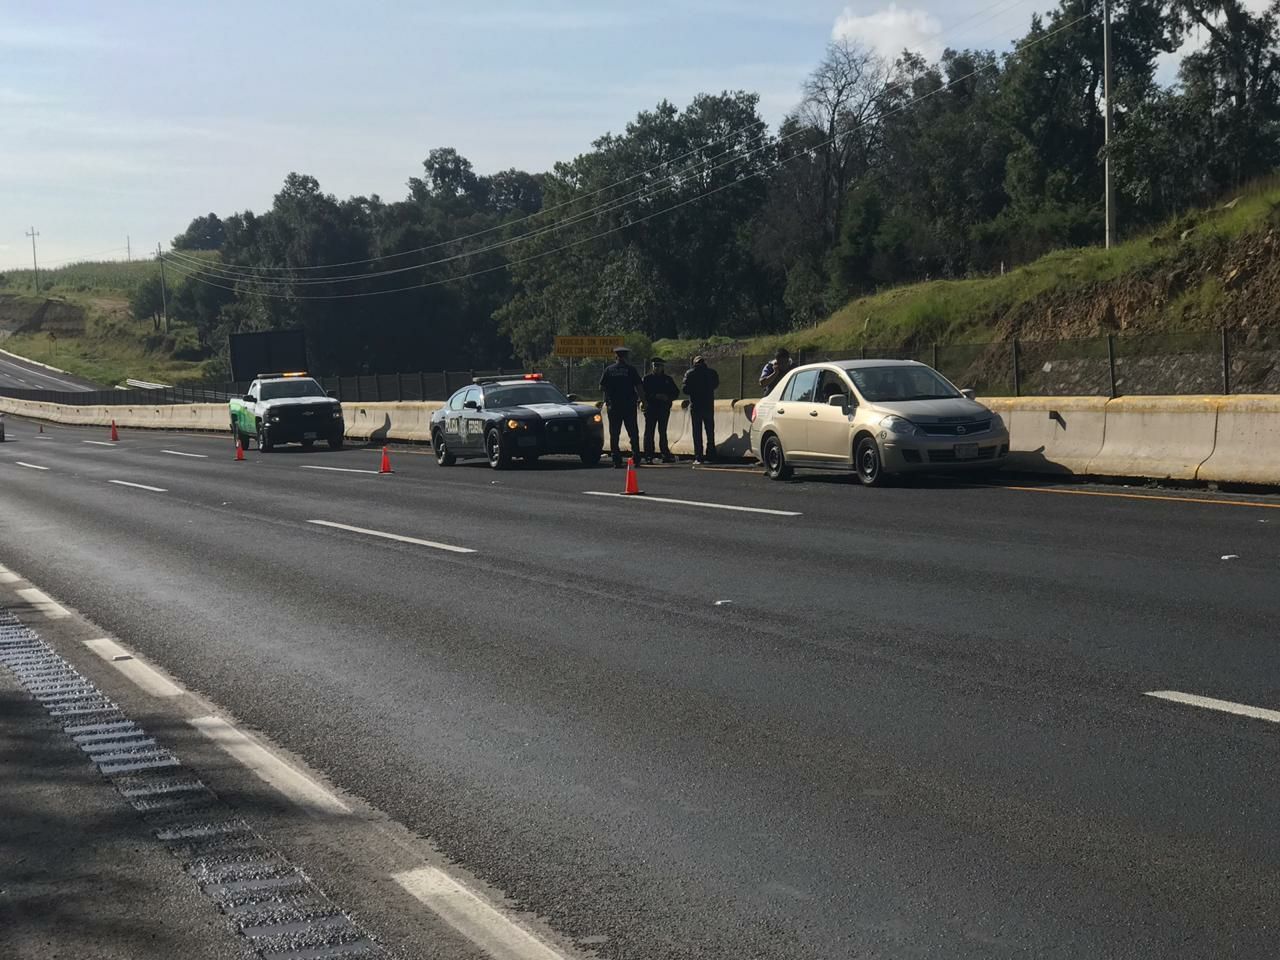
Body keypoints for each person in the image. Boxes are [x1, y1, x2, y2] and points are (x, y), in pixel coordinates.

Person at [599, 345, 643, 468]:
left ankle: (616, 460)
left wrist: (611, 391)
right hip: (629, 405)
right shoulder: (631, 370)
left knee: (614, 433)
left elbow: (601, 387)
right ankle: (636, 458)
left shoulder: (609, 370)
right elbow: (639, 386)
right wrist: (644, 400)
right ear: (626, 356)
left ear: (616, 356)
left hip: (614, 406)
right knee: (633, 432)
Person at [682, 355, 720, 464]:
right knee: (710, 431)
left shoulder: (690, 373)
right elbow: (716, 384)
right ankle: (711, 454)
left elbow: (685, 389)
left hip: (696, 406)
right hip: (708, 405)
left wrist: (695, 390)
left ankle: (699, 456)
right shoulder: (711, 373)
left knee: (697, 432)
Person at [641, 357, 679, 464]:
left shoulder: (667, 379)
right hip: (651, 408)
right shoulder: (647, 379)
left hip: (663, 409)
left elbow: (675, 392)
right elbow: (642, 393)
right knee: (649, 432)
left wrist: (667, 397)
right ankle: (649, 455)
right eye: (655, 366)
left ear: (662, 367)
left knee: (662, 432)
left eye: (659, 366)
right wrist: (655, 396)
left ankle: (665, 453)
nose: (656, 368)